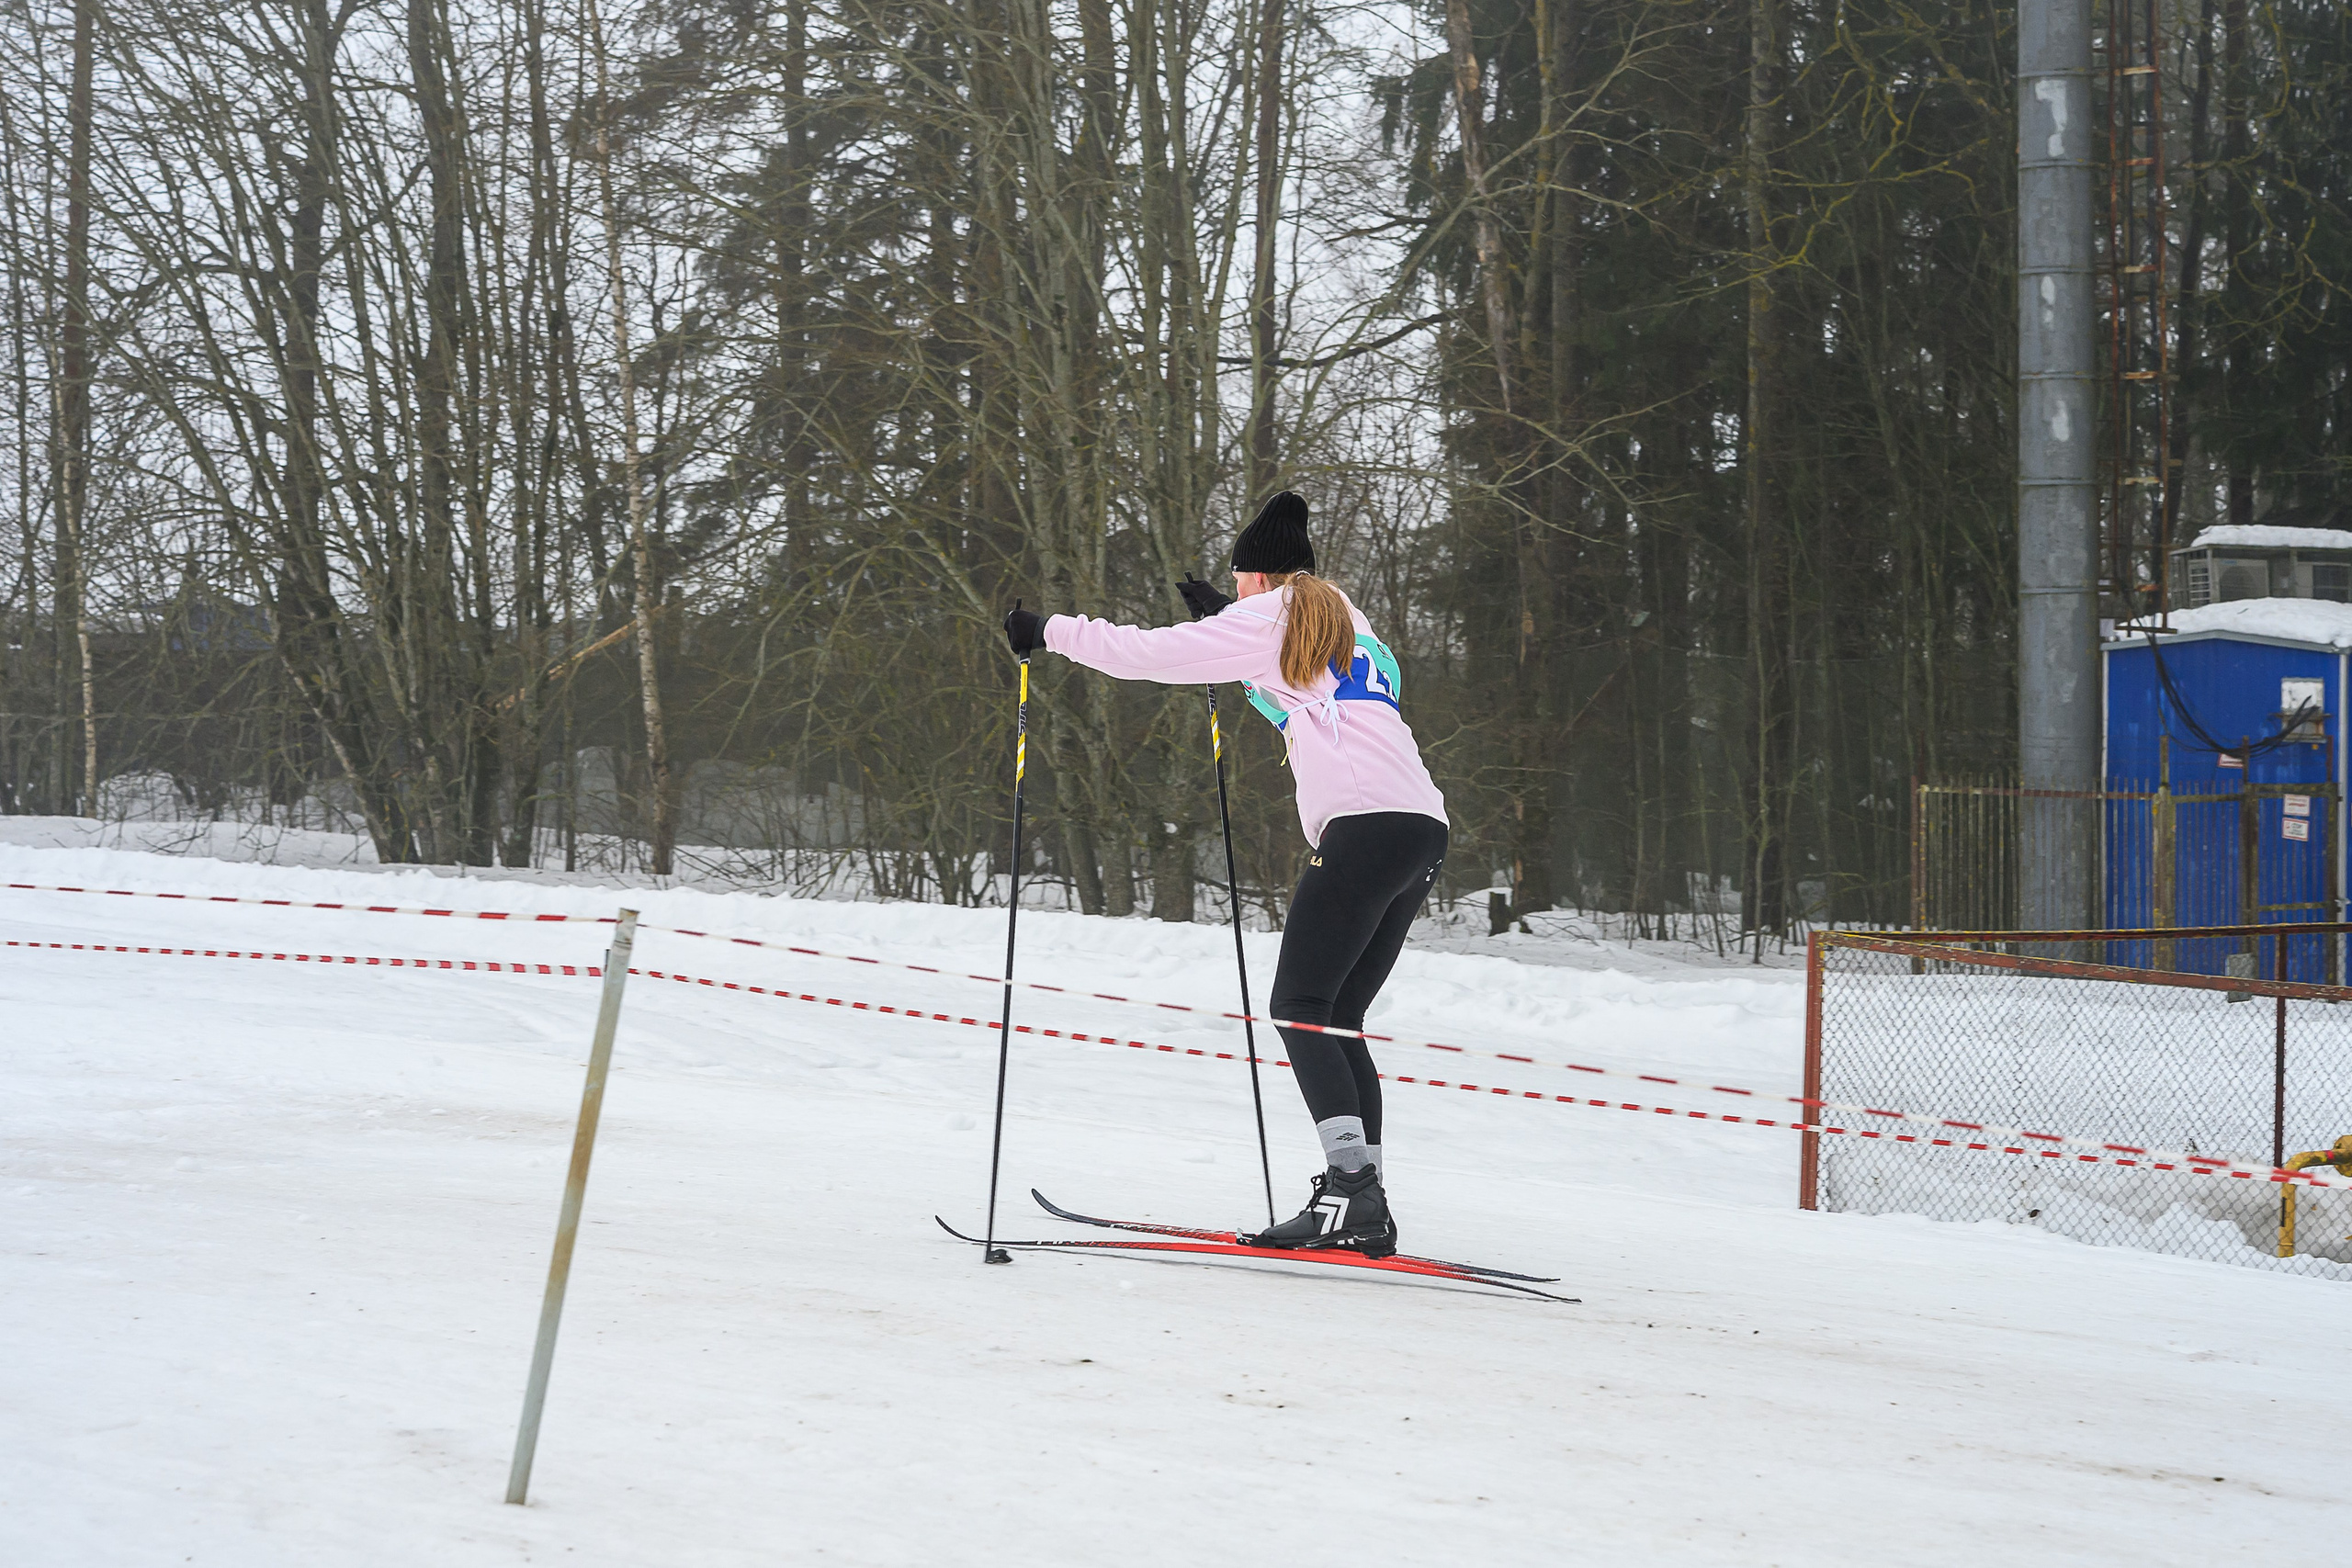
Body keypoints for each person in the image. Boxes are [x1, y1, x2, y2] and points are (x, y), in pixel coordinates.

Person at [1001, 491, 1449, 1257]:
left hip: (1365, 828)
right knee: (1337, 1014)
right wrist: (1225, 627)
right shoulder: (1342, 616)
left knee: (1300, 1004)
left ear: (1255, 576)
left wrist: (1047, 630)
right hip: (1420, 829)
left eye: (1237, 581)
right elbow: (1295, 699)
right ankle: (1362, 1199)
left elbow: (1147, 654)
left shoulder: (1270, 615)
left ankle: (1351, 1192)